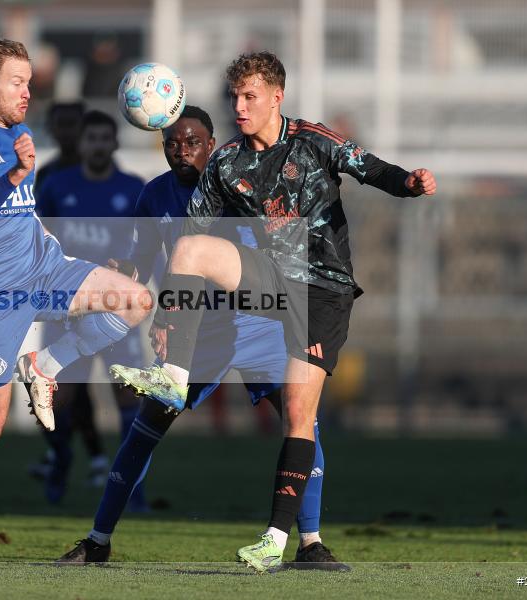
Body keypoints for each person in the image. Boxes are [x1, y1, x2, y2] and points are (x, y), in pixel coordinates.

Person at [111, 52, 436, 572]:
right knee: (189, 248)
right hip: (270, 275)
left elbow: (371, 168)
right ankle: (174, 375)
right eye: (235, 97)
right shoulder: (226, 162)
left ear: (276, 97)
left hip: (322, 290)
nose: (239, 107)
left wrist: (409, 184)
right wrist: (169, 316)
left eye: (250, 97)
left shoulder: (313, 141)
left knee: (299, 414)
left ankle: (280, 540)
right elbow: (192, 233)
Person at [57, 105, 345, 569]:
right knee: (144, 432)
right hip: (198, 336)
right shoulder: (154, 196)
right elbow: (143, 262)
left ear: (212, 145)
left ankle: (310, 543)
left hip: (260, 324)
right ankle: (97, 540)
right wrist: (125, 272)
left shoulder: (239, 184)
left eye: (193, 142)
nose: (182, 151)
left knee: (301, 423)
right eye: (172, 143)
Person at [0, 37, 151, 568]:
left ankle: (44, 365)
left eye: (28, 82)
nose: (27, 92)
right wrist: (17, 174)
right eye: (17, 82)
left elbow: (22, 213)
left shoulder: (20, 133)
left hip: (45, 270)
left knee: (134, 300)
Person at [35, 110, 147, 506]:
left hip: (117, 309)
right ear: (81, 144)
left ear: (115, 143)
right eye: (91, 138)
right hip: (69, 307)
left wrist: (134, 272)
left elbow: (147, 246)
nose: (98, 145)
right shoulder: (56, 186)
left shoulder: (133, 189)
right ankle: (61, 460)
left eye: (104, 138)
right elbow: (39, 239)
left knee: (128, 395)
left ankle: (133, 489)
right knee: (56, 396)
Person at [28, 100, 110, 486]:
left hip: (103, 294)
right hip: (60, 292)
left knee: (80, 383)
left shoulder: (105, 176)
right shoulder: (48, 178)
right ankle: (73, 455)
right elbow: (36, 232)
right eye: (59, 124)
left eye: (72, 125)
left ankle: (83, 457)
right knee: (64, 382)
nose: (66, 132)